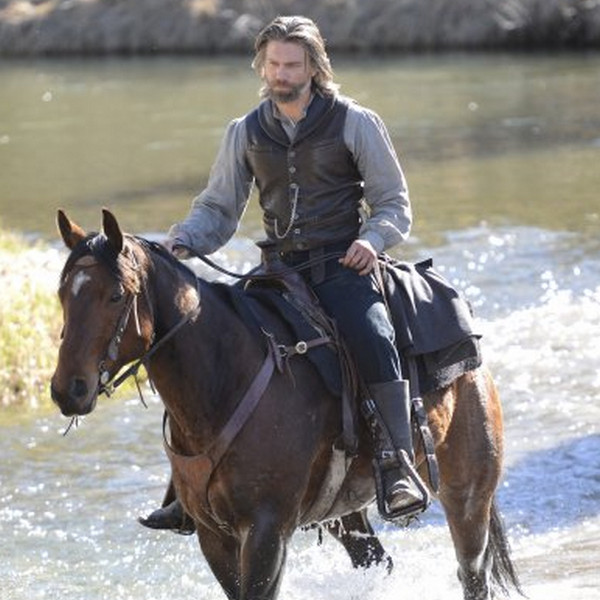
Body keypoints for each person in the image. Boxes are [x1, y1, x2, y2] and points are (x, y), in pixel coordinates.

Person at [141, 15, 427, 530]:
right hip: (277, 275)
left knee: (374, 334)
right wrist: (183, 239)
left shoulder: (355, 122)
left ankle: (395, 463)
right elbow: (218, 209)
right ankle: (187, 487)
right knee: (207, 344)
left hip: (344, 267)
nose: (281, 74)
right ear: (262, 65)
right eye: (273, 64)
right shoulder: (244, 131)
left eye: (292, 65)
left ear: (314, 67)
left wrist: (372, 240)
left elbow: (393, 203)